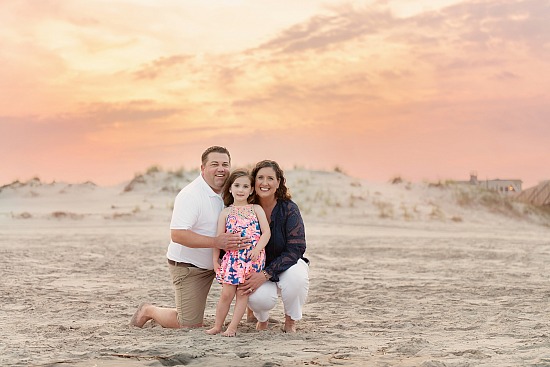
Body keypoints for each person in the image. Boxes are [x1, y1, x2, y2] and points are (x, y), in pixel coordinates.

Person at [130, 146, 245, 329]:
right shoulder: (190, 195)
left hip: (224, 261)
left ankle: (256, 319)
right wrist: (216, 242)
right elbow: (178, 234)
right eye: (214, 164)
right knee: (189, 325)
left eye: (225, 164)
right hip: (191, 267)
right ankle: (148, 310)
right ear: (202, 168)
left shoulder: (233, 190)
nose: (221, 169)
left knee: (253, 285)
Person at [239, 160, 310, 333]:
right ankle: (262, 319)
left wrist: (266, 274)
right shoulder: (244, 208)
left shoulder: (289, 209)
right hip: (256, 265)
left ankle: (290, 321)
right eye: (260, 178)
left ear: (278, 182)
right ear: (253, 181)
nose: (265, 183)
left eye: (270, 178)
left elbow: (296, 248)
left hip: (287, 262)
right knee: (259, 298)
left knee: (297, 279)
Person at [206, 169, 271, 336]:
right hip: (233, 259)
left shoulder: (256, 208)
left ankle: (232, 328)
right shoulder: (226, 212)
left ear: (251, 190)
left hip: (252, 258)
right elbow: (218, 239)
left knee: (243, 293)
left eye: (245, 186)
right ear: (230, 188)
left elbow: (266, 233)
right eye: (237, 185)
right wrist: (215, 260)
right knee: (226, 294)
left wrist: (257, 249)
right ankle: (217, 326)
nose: (240, 190)